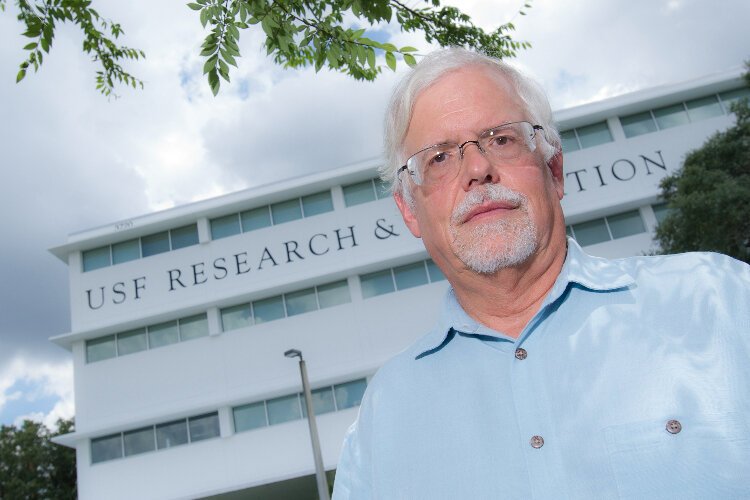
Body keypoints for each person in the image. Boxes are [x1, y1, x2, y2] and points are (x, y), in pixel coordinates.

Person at [332, 48, 750, 499]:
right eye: (438, 158)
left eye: (501, 139)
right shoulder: (383, 419)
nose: (477, 169)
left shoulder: (720, 299)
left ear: (554, 170)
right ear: (409, 212)